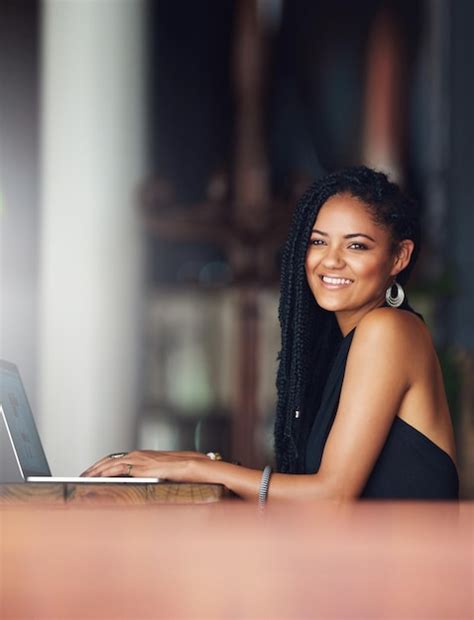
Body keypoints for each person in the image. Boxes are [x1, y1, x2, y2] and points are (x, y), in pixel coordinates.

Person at [83, 166, 459, 501]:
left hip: (407, 575)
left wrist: (196, 469)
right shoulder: (353, 343)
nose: (331, 260)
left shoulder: (388, 329)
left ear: (399, 257)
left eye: (356, 245)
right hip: (369, 569)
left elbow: (330, 497)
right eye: (317, 241)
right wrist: (196, 460)